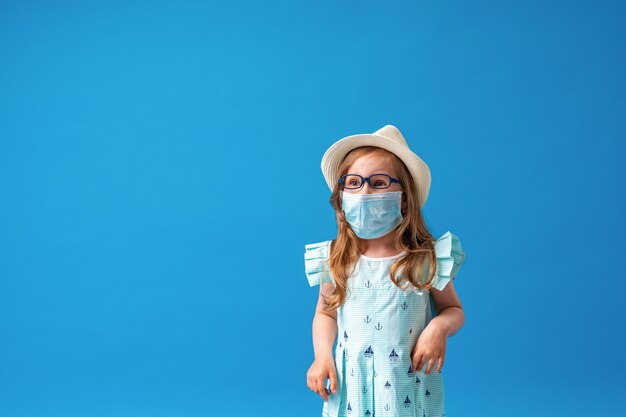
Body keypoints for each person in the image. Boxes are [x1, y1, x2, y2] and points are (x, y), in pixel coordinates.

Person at [304, 125, 466, 417]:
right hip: (352, 388)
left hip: (407, 387)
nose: (364, 192)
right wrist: (321, 356)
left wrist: (438, 327)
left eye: (379, 183)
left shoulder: (426, 259)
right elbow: (326, 313)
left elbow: (452, 309)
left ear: (404, 198)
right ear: (341, 195)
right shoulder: (335, 259)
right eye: (353, 182)